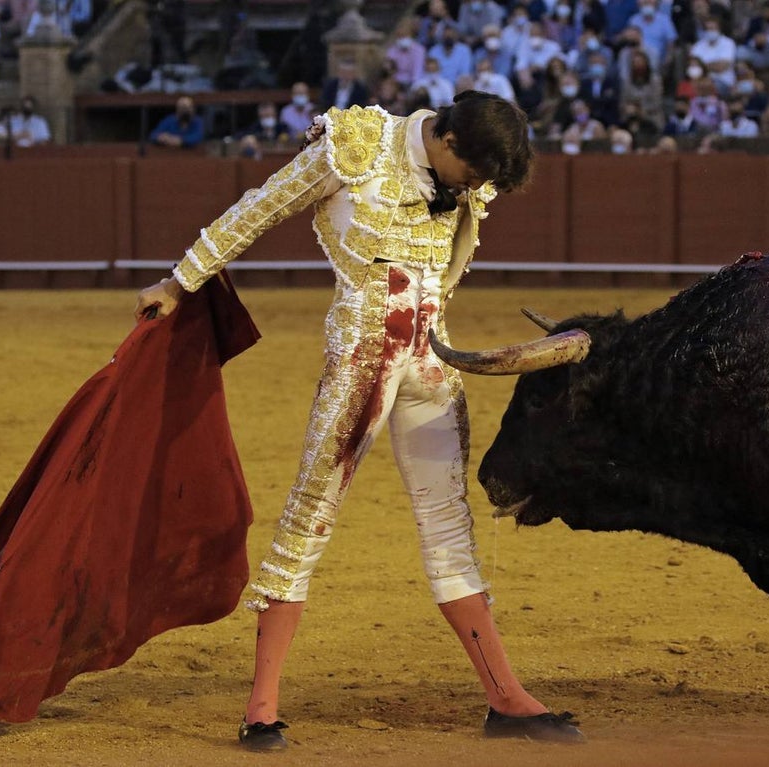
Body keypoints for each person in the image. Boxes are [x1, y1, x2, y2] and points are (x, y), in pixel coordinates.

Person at [133, 91, 585, 752]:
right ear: (449, 142)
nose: (476, 190)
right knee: (308, 518)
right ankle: (261, 707)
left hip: (431, 360)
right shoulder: (354, 146)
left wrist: (441, 295)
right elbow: (259, 208)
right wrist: (179, 283)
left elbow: (461, 242)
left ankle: (506, 698)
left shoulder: (464, 173)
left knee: (449, 523)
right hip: (361, 356)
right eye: (475, 176)